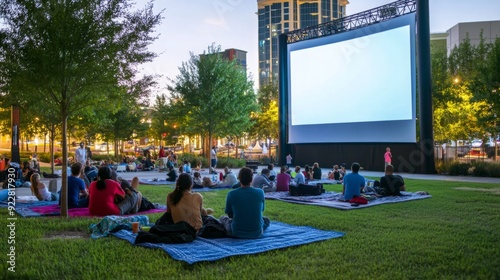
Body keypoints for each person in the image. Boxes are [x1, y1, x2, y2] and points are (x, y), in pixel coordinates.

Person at [220, 167, 270, 239]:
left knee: (223, 218)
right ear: (252, 179)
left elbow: (230, 215)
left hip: (236, 232)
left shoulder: (231, 194)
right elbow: (261, 210)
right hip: (257, 232)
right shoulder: (260, 192)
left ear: (239, 179)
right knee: (266, 220)